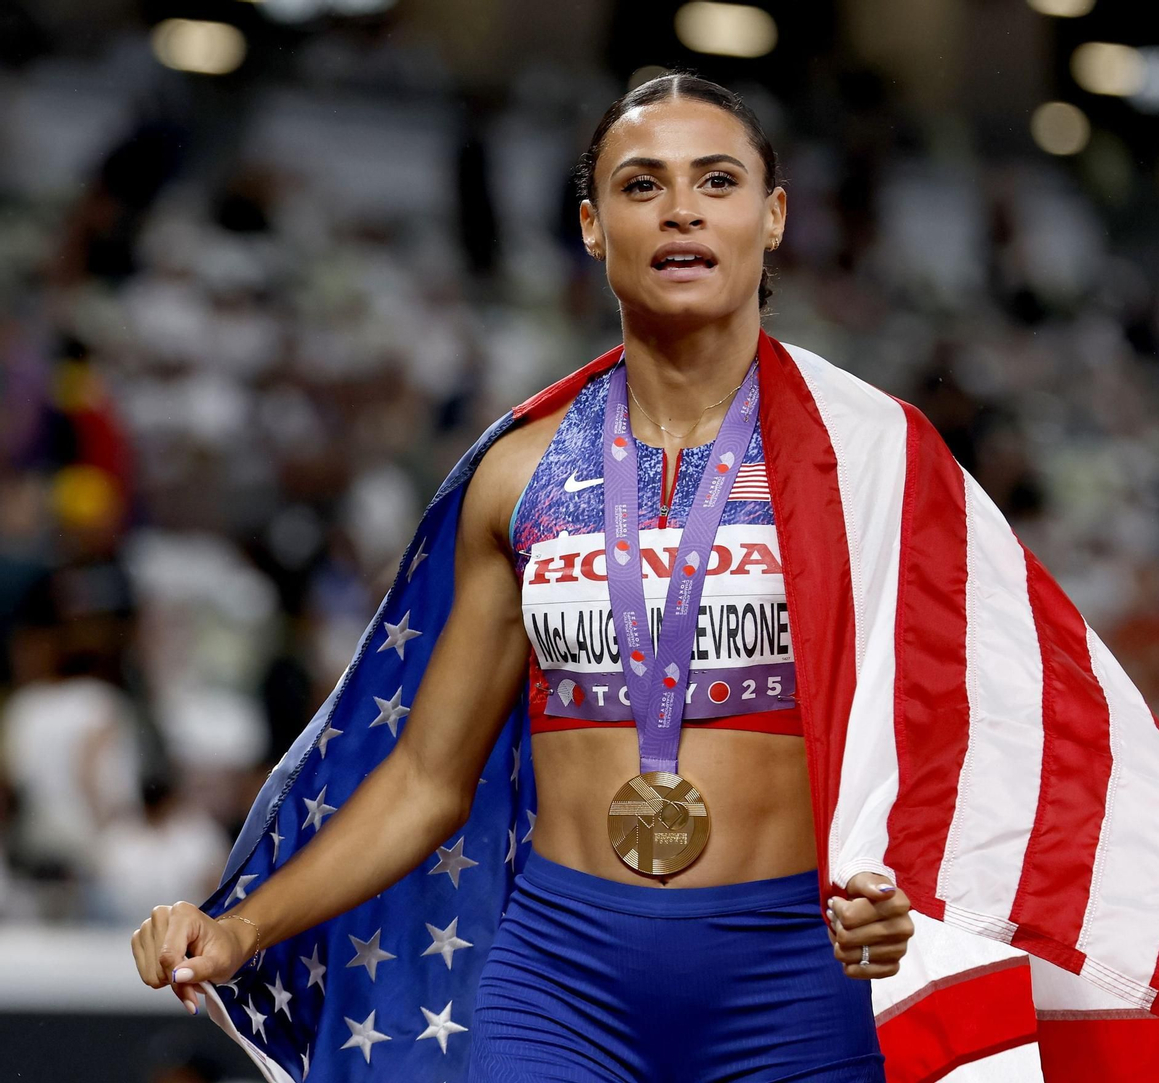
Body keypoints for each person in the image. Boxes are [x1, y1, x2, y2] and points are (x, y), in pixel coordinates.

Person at [130, 71, 909, 1081]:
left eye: (717, 181)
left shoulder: (864, 457)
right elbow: (426, 779)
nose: (681, 209)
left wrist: (907, 898)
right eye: (642, 184)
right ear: (591, 226)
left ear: (773, 217)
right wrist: (243, 927)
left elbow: (954, 738)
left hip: (798, 982)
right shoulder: (519, 474)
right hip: (561, 985)